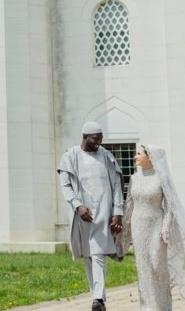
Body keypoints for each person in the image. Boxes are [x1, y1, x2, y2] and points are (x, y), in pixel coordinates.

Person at [123, 144, 185, 310]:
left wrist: (165, 228)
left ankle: (163, 306)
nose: (135, 157)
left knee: (158, 266)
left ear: (149, 157)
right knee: (143, 267)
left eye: (138, 154)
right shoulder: (134, 178)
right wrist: (123, 226)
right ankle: (147, 307)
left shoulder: (162, 178)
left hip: (157, 227)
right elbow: (129, 204)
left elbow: (170, 206)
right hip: (138, 226)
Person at [58, 121, 125, 311]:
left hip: (103, 212)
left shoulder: (106, 155)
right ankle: (99, 298)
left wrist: (117, 212)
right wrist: (78, 206)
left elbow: (116, 184)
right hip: (82, 215)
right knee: (88, 256)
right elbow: (66, 185)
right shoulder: (70, 156)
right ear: (85, 137)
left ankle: (97, 299)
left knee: (98, 254)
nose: (99, 143)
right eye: (95, 139)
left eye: (101, 139)